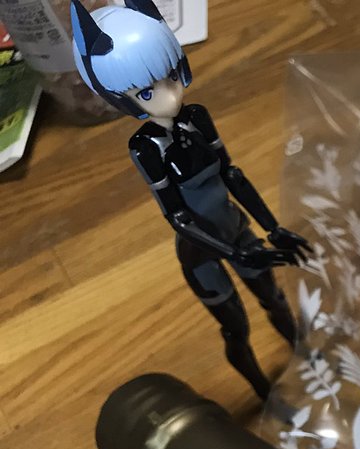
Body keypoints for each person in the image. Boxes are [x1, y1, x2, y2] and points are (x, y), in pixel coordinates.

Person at [70, 0, 309, 399]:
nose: (168, 97)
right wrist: (233, 252)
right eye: (147, 92)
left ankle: (309, 356)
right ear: (120, 98)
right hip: (201, 251)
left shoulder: (196, 117)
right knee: (236, 327)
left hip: (234, 226)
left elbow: (232, 174)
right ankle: (264, 393)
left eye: (171, 76)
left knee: (275, 298)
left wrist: (272, 227)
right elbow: (177, 217)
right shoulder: (146, 147)